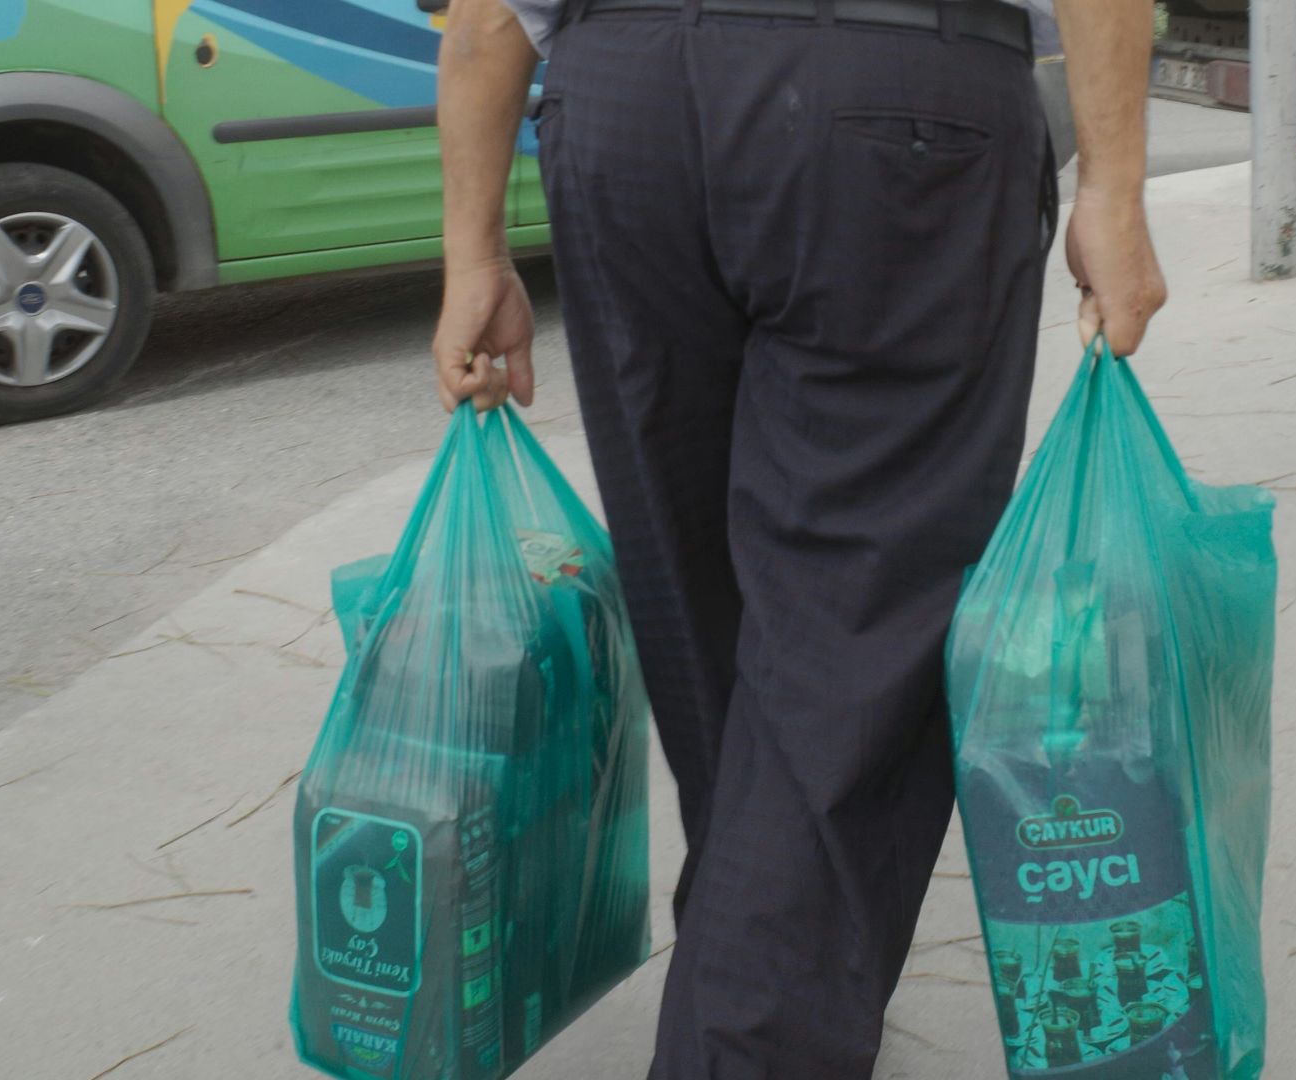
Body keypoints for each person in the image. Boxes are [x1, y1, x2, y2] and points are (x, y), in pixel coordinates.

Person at [430, 0, 1166, 1073]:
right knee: (843, 644)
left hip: (626, 103)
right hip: (896, 104)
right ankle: (754, 1025)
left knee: (701, 611)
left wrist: (473, 254)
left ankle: (759, 975)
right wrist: (1113, 187)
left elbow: (487, 12)